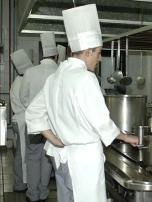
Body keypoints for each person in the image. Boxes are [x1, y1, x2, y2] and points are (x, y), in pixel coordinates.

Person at [25, 4, 138, 202]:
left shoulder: (55, 78)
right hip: (83, 162)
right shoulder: (85, 78)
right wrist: (125, 137)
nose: (100, 58)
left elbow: (33, 112)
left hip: (62, 158)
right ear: (87, 51)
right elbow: (101, 120)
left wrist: (52, 138)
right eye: (98, 53)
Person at [20, 32, 59, 202]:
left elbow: (23, 98)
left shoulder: (30, 72)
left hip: (35, 124)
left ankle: (33, 194)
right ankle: (43, 192)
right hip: (54, 125)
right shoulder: (60, 72)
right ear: (56, 55)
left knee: (33, 158)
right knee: (47, 159)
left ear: (42, 54)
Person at [9, 49, 33, 192]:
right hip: (22, 119)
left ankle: (22, 182)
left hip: (19, 119)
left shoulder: (18, 80)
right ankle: (20, 184)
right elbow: (27, 102)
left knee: (22, 152)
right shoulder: (22, 81)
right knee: (21, 154)